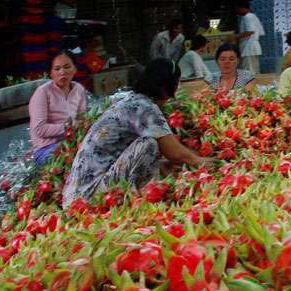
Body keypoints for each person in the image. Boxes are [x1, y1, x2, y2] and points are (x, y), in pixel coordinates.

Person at [62, 59, 209, 208]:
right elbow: (175, 153)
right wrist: (202, 163)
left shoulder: (128, 100)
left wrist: (157, 164)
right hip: (90, 196)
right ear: (165, 88)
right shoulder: (144, 107)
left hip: (74, 195)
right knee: (149, 143)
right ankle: (146, 204)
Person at [28, 50, 87, 165]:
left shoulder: (79, 89)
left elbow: (82, 119)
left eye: (67, 67)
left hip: (72, 141)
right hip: (46, 148)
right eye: (57, 69)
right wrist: (70, 127)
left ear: (75, 69)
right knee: (76, 162)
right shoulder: (43, 92)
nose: (62, 72)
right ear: (50, 73)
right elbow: (39, 129)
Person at [236, 2, 264, 75]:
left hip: (248, 47)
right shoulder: (254, 17)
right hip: (252, 47)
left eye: (238, 9)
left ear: (242, 8)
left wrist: (237, 36)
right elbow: (260, 32)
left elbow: (250, 31)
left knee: (249, 71)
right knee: (254, 71)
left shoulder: (247, 17)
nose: (237, 11)